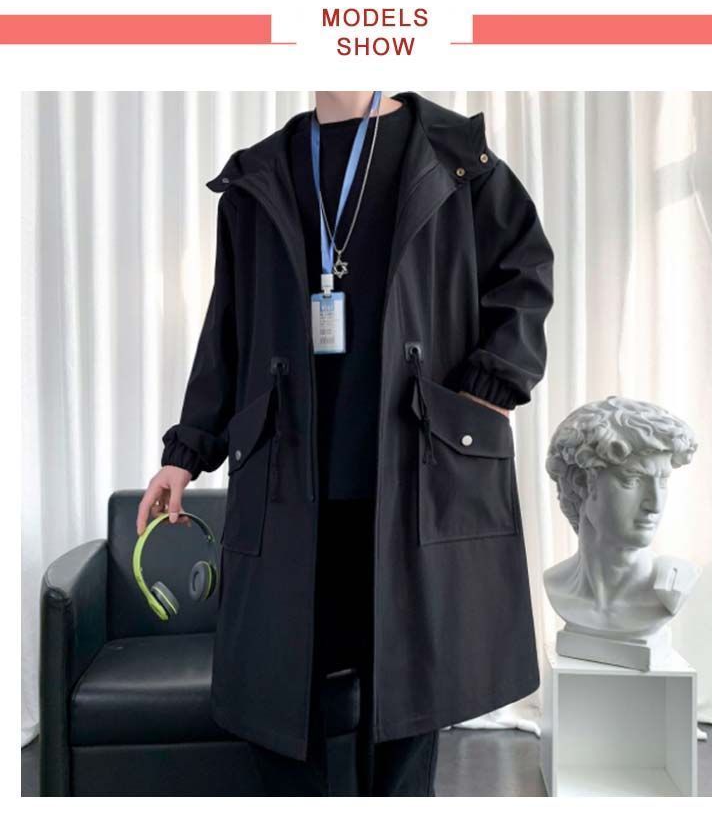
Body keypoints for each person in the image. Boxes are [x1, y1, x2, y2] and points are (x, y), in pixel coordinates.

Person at [138, 91, 554, 796]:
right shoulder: (258, 174)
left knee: (407, 706)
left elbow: (526, 274)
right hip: (287, 481)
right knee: (277, 702)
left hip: (415, 473)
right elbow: (227, 328)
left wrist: (491, 386)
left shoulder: (457, 159)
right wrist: (186, 452)